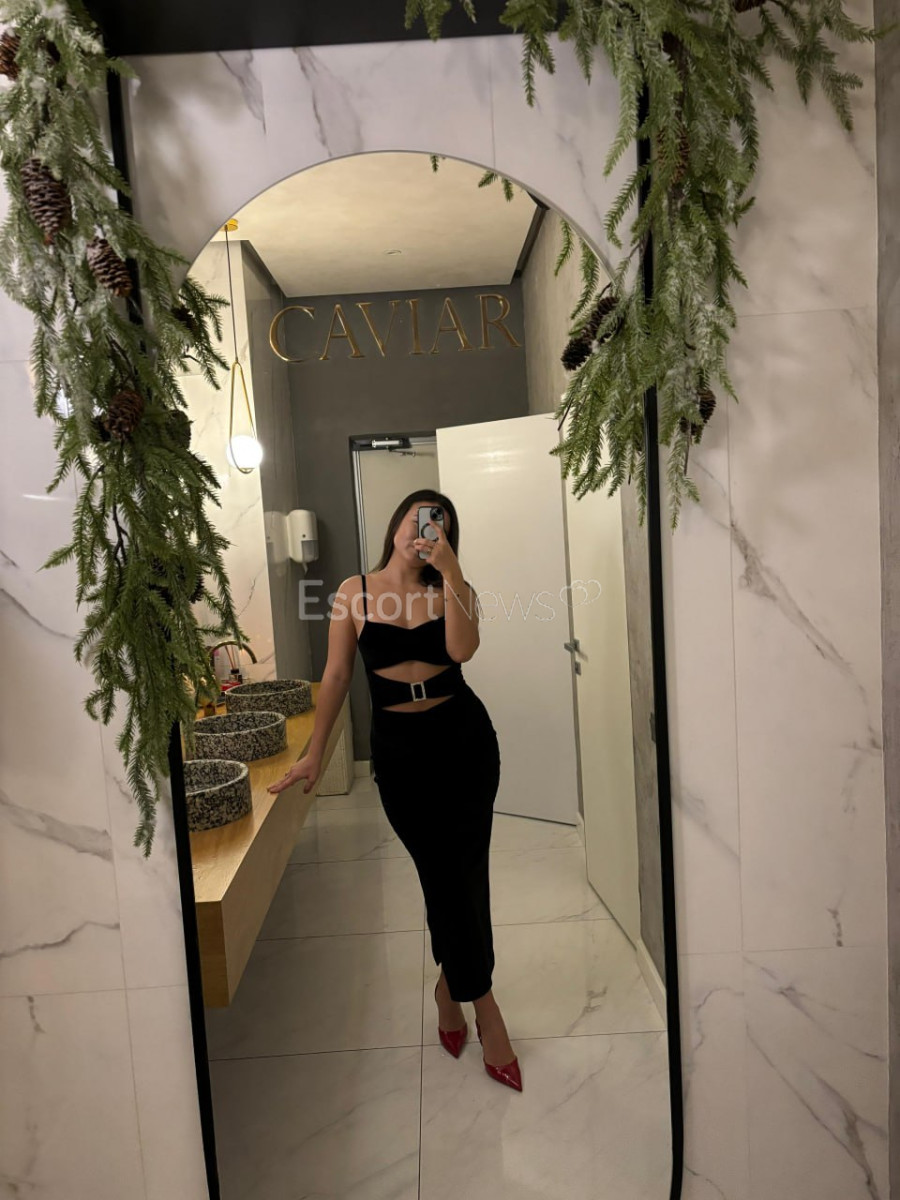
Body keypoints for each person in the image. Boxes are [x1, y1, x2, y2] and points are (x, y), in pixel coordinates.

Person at [268, 489, 521, 1092]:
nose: (425, 531)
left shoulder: (455, 589)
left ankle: (467, 998)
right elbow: (336, 676)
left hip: (464, 742)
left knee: (465, 875)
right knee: (441, 875)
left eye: (440, 525)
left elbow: (462, 650)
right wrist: (315, 753)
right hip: (401, 755)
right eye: (418, 519)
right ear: (396, 525)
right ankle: (467, 994)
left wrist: (451, 572)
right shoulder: (353, 592)